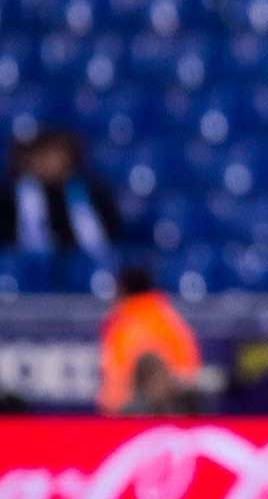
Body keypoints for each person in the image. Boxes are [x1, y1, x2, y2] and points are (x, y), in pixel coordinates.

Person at [97, 267, 202, 416]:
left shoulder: (126, 326)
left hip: (138, 417)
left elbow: (115, 390)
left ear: (123, 290)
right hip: (176, 413)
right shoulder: (171, 320)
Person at [0, 130, 122, 257]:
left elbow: (108, 240)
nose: (48, 162)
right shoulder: (9, 199)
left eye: (53, 154)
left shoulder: (93, 195)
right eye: (40, 155)